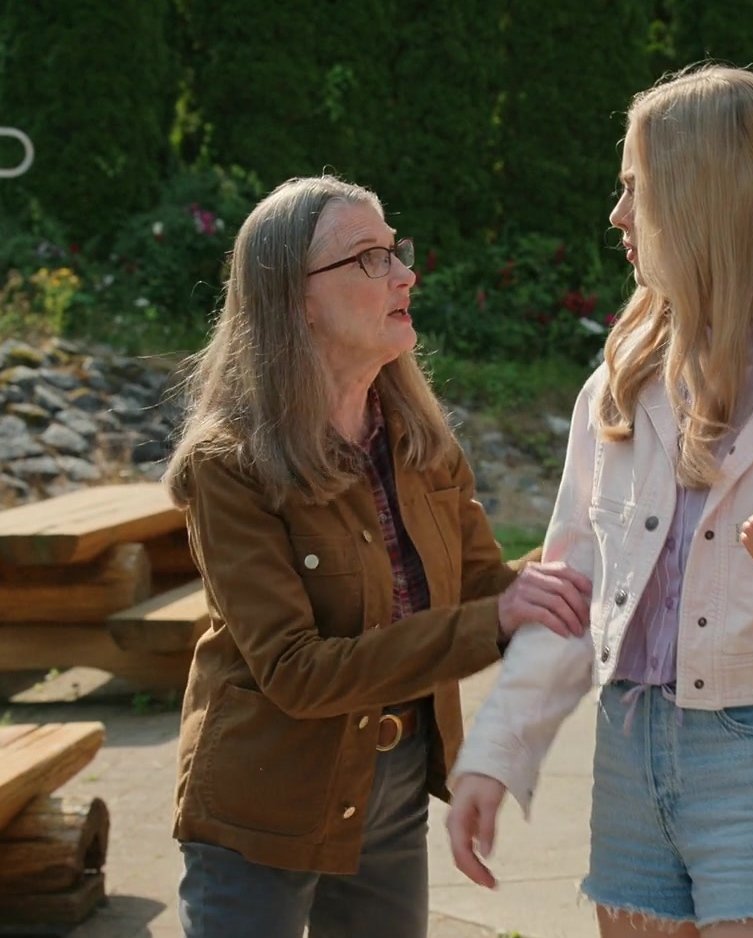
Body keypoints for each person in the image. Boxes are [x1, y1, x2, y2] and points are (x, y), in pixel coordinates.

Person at [445, 66, 753, 938]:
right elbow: (571, 592)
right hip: (627, 758)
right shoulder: (620, 376)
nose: (616, 215)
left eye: (633, 188)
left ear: (704, 193)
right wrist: (494, 756)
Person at [165, 174, 591, 938]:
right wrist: (495, 616)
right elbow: (296, 670)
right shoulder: (229, 463)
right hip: (264, 801)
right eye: (368, 258)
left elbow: (484, 588)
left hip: (392, 786)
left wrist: (600, 566)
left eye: (396, 250)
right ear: (295, 299)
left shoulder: (421, 443)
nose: (404, 273)